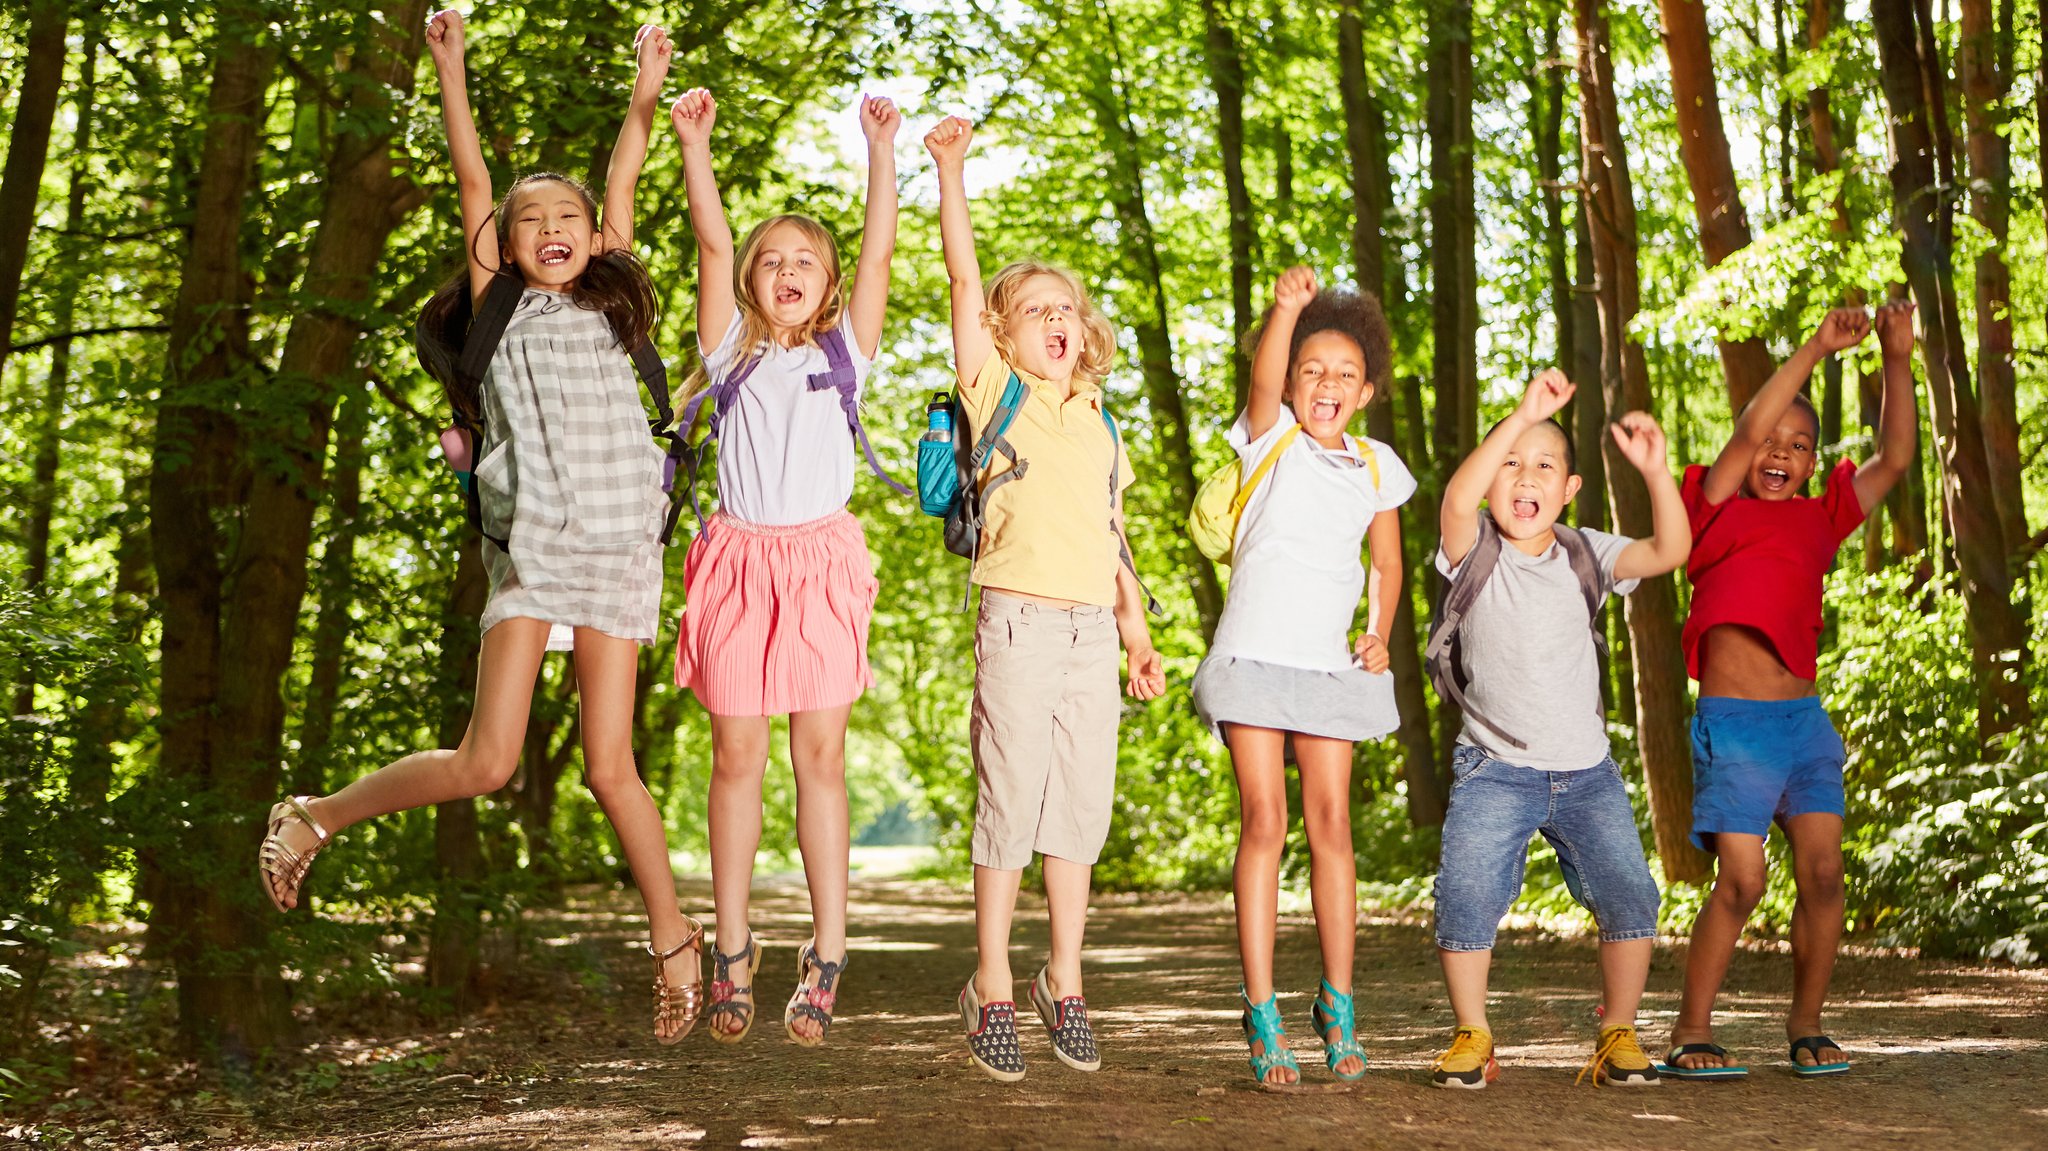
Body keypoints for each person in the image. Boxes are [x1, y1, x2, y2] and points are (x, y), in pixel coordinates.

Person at [256, 11, 705, 1045]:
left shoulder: (614, 307)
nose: (552, 222)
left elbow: (625, 169)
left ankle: (675, 939)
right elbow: (472, 181)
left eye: (569, 213)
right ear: (505, 242)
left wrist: (646, 96)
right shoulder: (498, 309)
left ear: (592, 235)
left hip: (618, 548)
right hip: (536, 549)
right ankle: (313, 812)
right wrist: (448, 68)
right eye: (530, 214)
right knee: (486, 759)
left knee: (609, 765)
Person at [925, 113, 1166, 1083]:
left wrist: (1136, 630)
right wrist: (951, 171)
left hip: (1088, 633)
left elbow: (1111, 534)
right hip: (1017, 619)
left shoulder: (1100, 420)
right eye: (1033, 310)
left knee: (1079, 810)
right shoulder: (994, 387)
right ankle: (988, 982)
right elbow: (956, 278)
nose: (1056, 319)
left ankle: (1062, 976)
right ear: (999, 331)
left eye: (1066, 307)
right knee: (1009, 803)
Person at [667, 88, 903, 1048]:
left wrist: (881, 152)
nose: (786, 268)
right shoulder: (726, 352)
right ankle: (730, 950)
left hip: (820, 564)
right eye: (773, 259)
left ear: (832, 284)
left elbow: (882, 250)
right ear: (752, 284)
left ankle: (828, 951)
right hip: (736, 560)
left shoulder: (847, 350)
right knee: (737, 758)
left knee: (820, 759)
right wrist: (695, 144)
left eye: (807, 259)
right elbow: (713, 243)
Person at [1664, 303, 1917, 1080]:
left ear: (1813, 463)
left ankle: (1805, 1021)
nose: (1780, 451)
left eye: (1799, 446)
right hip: (1734, 725)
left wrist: (1898, 358)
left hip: (1803, 725)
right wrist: (1814, 349)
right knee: (1741, 881)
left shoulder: (1822, 518)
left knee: (1825, 874)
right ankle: (1691, 1028)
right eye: (1774, 442)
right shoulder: (1712, 511)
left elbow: (1897, 456)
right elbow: (1744, 433)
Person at [1427, 370, 1689, 1088]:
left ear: (1570, 488)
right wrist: (1521, 417)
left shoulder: (1587, 552)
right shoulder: (1471, 547)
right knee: (1466, 893)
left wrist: (1658, 473)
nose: (1524, 474)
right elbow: (1456, 496)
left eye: (1544, 463)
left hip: (1587, 772)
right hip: (1493, 769)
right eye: (1510, 461)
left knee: (1630, 893)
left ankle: (1619, 1031)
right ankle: (1472, 1031)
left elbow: (1668, 552)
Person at [1189, 267, 1415, 1086]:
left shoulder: (1377, 464)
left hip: (1330, 666)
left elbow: (1385, 563)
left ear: (1367, 390)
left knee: (1333, 826)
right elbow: (1260, 378)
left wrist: (1379, 632)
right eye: (1311, 370)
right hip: (1252, 654)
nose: (1327, 384)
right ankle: (1261, 1011)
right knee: (1265, 821)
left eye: (1345, 375)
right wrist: (1284, 308)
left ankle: (1338, 1001)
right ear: (1289, 381)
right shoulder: (1268, 434)